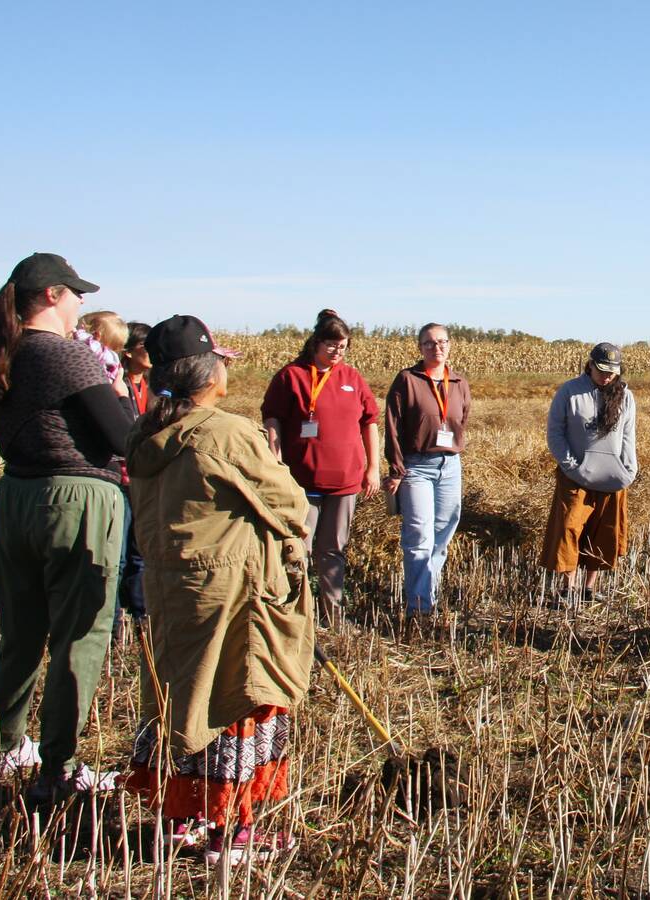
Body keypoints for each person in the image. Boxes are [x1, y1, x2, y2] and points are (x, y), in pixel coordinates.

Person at [123, 314, 315, 863]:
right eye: (222, 362)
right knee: (235, 697)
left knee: (179, 697)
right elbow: (290, 504)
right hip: (229, 592)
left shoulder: (145, 432)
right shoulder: (225, 432)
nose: (228, 371)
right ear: (207, 372)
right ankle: (230, 833)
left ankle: (179, 818)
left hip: (169, 588)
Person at [0, 252, 133, 800]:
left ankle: (6, 744)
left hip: (17, 493)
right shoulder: (64, 355)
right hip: (77, 498)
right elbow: (122, 437)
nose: (81, 303)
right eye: (75, 292)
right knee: (80, 636)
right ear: (50, 296)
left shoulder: (6, 351)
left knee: (20, 628)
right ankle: (57, 768)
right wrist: (122, 393)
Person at [261, 310, 380, 626]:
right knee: (298, 551)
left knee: (333, 551)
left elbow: (370, 422)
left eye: (343, 346)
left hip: (345, 481)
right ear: (316, 342)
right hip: (302, 481)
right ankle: (294, 615)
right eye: (332, 345)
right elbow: (272, 417)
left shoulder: (352, 378)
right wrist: (275, 457)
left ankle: (333, 616)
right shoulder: (291, 376)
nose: (337, 352)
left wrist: (373, 468)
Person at [382, 324, 471, 619]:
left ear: (450, 345)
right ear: (420, 347)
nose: (437, 348)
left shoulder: (459, 382)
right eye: (429, 343)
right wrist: (396, 468)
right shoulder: (407, 380)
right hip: (417, 466)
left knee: (442, 535)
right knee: (419, 536)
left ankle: (427, 596)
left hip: (450, 466)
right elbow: (392, 427)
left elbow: (462, 419)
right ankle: (419, 608)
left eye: (442, 342)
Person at [541, 343, 638, 604]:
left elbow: (628, 436)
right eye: (602, 370)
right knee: (569, 529)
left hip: (611, 476)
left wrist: (629, 468)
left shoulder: (626, 396)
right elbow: (555, 433)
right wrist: (571, 466)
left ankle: (589, 589)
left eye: (612, 371)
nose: (607, 376)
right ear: (590, 365)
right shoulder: (569, 392)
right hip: (575, 477)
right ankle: (567, 588)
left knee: (603, 531)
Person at [116, 321, 152, 625]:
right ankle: (113, 622)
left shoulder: (150, 386)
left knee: (140, 554)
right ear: (128, 353)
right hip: (119, 480)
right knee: (118, 557)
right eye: (145, 346)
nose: (151, 352)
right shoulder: (116, 385)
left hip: (142, 478)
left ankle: (142, 617)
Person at [74, 310, 129, 382]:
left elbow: (81, 337)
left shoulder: (97, 351)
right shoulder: (114, 360)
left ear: (96, 335)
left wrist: (76, 330)